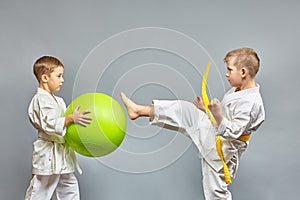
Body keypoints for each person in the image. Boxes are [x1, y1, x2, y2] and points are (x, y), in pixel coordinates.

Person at [120, 48, 265, 200]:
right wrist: (207, 111)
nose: (226, 74)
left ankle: (138, 111)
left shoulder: (251, 104)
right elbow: (227, 115)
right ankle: (138, 110)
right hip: (215, 133)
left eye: (229, 70)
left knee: (215, 192)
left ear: (243, 72)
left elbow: (233, 130)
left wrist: (216, 114)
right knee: (186, 110)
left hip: (224, 150)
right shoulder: (238, 89)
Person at [25, 56, 92, 200]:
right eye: (59, 76)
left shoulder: (59, 101)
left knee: (69, 186)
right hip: (48, 154)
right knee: (41, 189)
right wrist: (69, 119)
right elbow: (48, 123)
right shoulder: (40, 100)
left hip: (62, 153)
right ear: (44, 77)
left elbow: (67, 123)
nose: (62, 80)